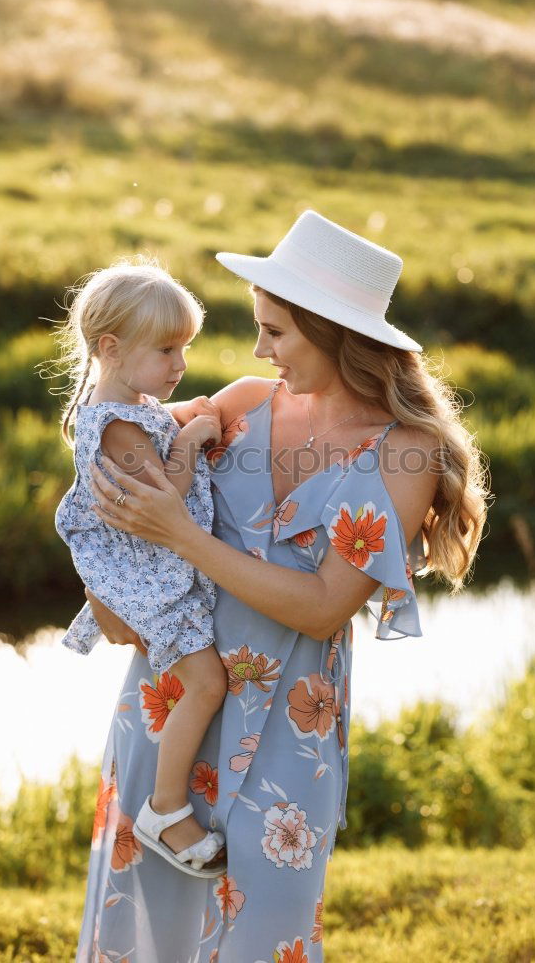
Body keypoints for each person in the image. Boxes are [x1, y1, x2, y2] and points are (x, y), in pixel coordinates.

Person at [78, 211, 489, 962]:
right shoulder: (240, 405)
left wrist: (184, 537)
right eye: (261, 329)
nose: (260, 350)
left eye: (278, 333)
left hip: (286, 734)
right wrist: (103, 593)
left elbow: (326, 605)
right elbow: (103, 467)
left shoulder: (405, 453)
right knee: (143, 935)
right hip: (170, 705)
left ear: (336, 333)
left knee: (265, 939)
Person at [54, 258, 229, 879]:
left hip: (155, 572)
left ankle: (168, 797)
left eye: (185, 347)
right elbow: (167, 501)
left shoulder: (127, 407)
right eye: (166, 349)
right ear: (111, 348)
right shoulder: (119, 425)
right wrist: (191, 437)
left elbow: (147, 447)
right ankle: (165, 807)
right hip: (156, 583)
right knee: (207, 684)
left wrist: (177, 417)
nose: (179, 364)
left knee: (201, 683)